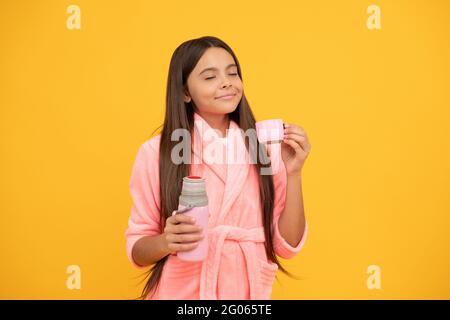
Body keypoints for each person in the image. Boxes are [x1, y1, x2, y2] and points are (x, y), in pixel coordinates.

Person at [125, 36, 311, 300]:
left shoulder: (265, 148)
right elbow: (138, 248)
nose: (226, 82)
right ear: (185, 92)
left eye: (232, 73)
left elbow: (288, 246)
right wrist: (167, 241)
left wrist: (294, 173)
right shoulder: (157, 152)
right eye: (210, 77)